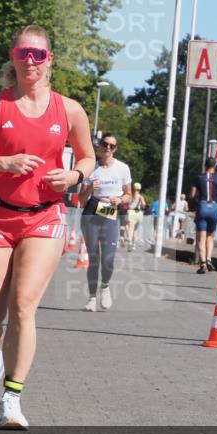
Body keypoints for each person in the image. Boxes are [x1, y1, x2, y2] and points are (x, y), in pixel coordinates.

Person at [0, 25, 95, 429]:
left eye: (38, 54)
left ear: (49, 59)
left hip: (45, 215)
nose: (30, 61)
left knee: (23, 306)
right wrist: (4, 162)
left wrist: (72, 178)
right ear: (13, 57)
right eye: (23, 53)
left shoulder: (69, 109)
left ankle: (12, 401)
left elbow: (86, 158)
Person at [79, 133, 132, 311]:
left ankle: (105, 285)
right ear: (99, 146)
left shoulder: (123, 168)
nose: (108, 148)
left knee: (108, 258)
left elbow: (129, 195)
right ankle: (92, 298)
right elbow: (81, 199)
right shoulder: (91, 168)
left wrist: (120, 200)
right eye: (105, 144)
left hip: (110, 211)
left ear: (115, 149)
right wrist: (88, 188)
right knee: (94, 258)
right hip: (92, 210)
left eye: (112, 145)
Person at [190, 159, 217, 274]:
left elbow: (192, 194)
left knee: (201, 237)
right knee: (210, 236)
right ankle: (209, 259)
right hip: (214, 207)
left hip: (202, 206)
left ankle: (202, 264)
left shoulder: (198, 177)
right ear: (215, 166)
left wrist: (196, 197)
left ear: (205, 165)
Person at [125, 182, 147, 251]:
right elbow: (144, 205)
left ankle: (129, 241)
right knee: (135, 230)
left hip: (131, 212)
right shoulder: (141, 196)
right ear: (140, 189)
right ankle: (134, 245)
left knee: (130, 228)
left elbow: (126, 204)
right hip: (138, 213)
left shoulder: (130, 196)